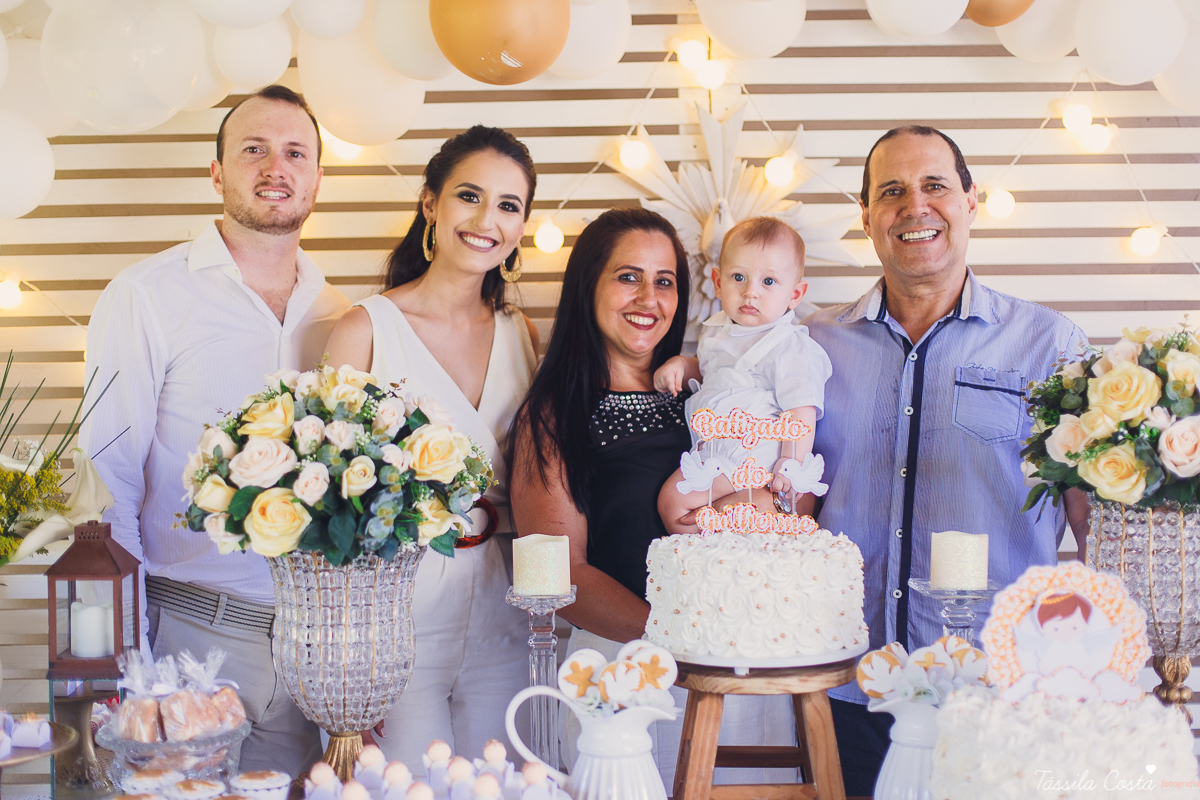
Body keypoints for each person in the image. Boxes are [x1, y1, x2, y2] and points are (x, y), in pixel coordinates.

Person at [797, 125, 1090, 795]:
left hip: (1002, 690)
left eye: (935, 186)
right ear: (866, 216)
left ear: (971, 201)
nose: (915, 206)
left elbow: (1098, 529)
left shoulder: (1052, 347)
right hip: (846, 687)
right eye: (892, 191)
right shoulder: (811, 346)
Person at [81, 85, 347, 774]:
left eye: (295, 153)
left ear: (317, 177)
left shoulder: (344, 314)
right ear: (217, 171)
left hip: (311, 655)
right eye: (252, 149)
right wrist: (131, 652)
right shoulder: (147, 295)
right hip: (192, 634)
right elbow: (106, 479)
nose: (275, 167)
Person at [509, 209, 795, 786]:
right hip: (628, 670)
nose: (649, 297)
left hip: (747, 664)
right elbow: (562, 574)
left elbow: (782, 490)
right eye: (627, 276)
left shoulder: (709, 392)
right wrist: (677, 649)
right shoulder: (556, 414)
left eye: (665, 280)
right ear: (587, 285)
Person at [323, 125, 539, 771]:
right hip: (399, 618)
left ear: (523, 226)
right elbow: (331, 514)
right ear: (430, 205)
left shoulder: (521, 332)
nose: (485, 220)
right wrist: (346, 676)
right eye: (469, 196)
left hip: (507, 605)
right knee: (407, 784)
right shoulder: (365, 328)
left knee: (509, 782)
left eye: (508, 205)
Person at [653, 216, 831, 533]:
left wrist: (790, 466)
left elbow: (801, 410)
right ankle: (724, 558)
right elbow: (709, 371)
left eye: (768, 282)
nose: (751, 292)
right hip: (719, 451)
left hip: (754, 454)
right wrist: (682, 364)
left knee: (673, 502)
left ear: (795, 294)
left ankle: (720, 553)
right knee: (688, 508)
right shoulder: (716, 335)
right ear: (718, 281)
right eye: (739, 277)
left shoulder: (790, 346)